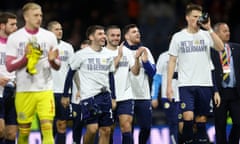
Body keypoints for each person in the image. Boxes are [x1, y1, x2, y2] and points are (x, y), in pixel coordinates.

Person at [166, 3, 223, 144]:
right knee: (188, 117)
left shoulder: (206, 35)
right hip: (186, 84)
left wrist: (209, 28)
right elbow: (172, 61)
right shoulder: (178, 37)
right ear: (187, 18)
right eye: (194, 16)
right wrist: (169, 86)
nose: (197, 19)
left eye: (199, 16)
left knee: (201, 119)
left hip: (204, 83)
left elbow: (220, 47)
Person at [5, 2, 60, 144]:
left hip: (45, 89)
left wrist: (53, 61)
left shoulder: (49, 36)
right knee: (23, 133)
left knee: (47, 128)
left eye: (41, 15)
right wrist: (25, 58)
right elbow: (10, 66)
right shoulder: (15, 38)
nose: (39, 18)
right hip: (24, 90)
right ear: (26, 17)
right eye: (36, 15)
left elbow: (57, 65)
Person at [61, 25, 115, 144]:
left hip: (105, 96)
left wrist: (114, 97)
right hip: (89, 97)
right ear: (91, 37)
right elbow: (70, 74)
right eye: (100, 34)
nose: (103, 36)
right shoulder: (81, 54)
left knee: (106, 130)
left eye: (104, 34)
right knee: (92, 129)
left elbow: (111, 76)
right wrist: (65, 95)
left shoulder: (108, 54)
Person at [105, 25, 143, 144]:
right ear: (106, 37)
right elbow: (107, 71)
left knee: (126, 126)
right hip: (107, 96)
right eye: (113, 35)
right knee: (107, 130)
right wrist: (119, 56)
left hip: (126, 94)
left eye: (118, 35)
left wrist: (136, 59)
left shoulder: (127, 51)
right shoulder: (102, 53)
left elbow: (135, 72)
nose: (116, 38)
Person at [47, 20, 81, 144]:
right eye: (56, 29)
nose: (60, 31)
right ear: (49, 32)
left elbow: (73, 69)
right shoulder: (44, 46)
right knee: (47, 125)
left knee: (62, 124)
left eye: (60, 28)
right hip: (47, 91)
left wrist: (79, 88)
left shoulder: (68, 47)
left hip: (64, 92)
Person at [123, 24, 156, 144]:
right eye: (133, 32)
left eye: (138, 31)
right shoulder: (121, 51)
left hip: (143, 95)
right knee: (127, 128)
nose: (138, 33)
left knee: (146, 127)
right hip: (126, 96)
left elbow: (153, 73)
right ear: (126, 36)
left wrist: (146, 62)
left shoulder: (145, 50)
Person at [211, 22, 240, 144]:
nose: (228, 33)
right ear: (216, 33)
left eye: (228, 30)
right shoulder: (211, 51)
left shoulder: (237, 48)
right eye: (224, 31)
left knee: (238, 122)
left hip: (236, 92)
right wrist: (214, 90)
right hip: (220, 93)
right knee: (220, 125)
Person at [151, 50, 183, 144]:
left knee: (185, 123)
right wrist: (154, 97)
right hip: (168, 96)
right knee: (173, 122)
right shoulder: (163, 56)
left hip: (184, 95)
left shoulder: (185, 55)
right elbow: (157, 78)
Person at [0, 12, 17, 144]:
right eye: (12, 24)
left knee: (11, 133)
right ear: (2, 26)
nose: (15, 27)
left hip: (14, 92)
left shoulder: (17, 45)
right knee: (0, 130)